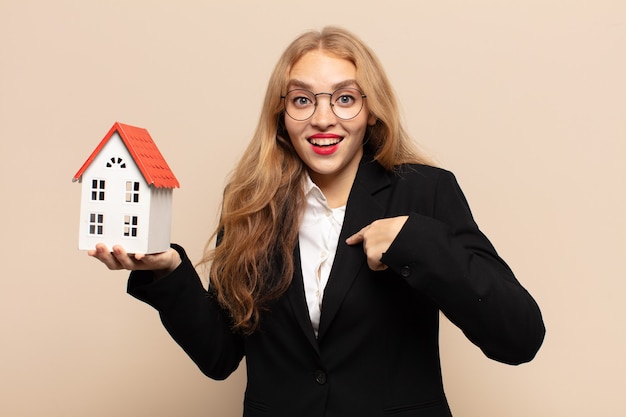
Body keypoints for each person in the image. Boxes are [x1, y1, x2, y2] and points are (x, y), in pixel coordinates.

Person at [90, 26, 545, 417]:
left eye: (344, 98)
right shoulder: (251, 202)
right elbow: (221, 356)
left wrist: (414, 239)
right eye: (303, 99)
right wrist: (168, 271)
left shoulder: (426, 192)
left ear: (371, 110)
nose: (323, 118)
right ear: (281, 114)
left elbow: (518, 337)